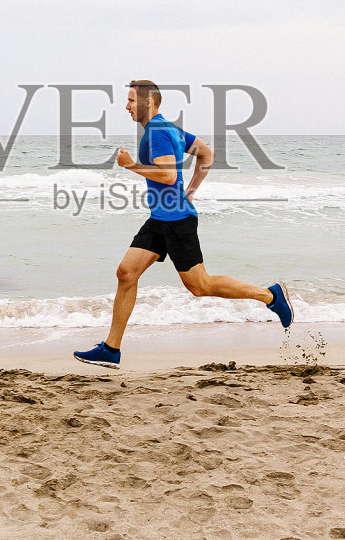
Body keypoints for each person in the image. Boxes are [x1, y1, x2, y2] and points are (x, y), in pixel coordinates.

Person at [73, 79, 293, 369]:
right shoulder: (170, 128)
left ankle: (270, 295)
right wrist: (190, 190)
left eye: (130, 100)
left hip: (177, 221)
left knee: (200, 286)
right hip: (160, 219)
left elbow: (166, 176)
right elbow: (206, 153)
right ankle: (111, 349)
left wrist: (130, 165)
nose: (126, 106)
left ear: (148, 102)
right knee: (126, 273)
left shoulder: (158, 132)